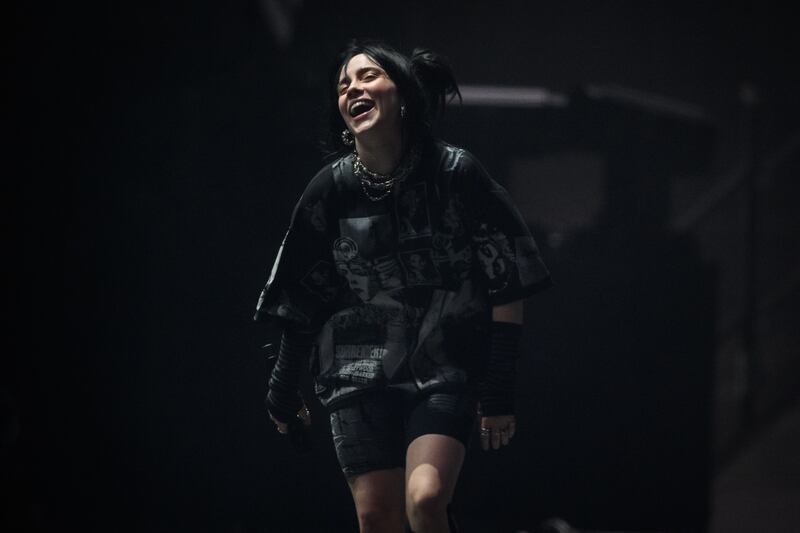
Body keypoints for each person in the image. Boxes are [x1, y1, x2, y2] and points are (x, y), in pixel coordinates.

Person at [254, 39, 551, 533]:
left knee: (427, 498)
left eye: (367, 77)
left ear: (404, 96)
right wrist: (282, 392)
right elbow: (300, 296)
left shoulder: (455, 172)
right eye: (344, 84)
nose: (352, 88)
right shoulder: (330, 191)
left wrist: (498, 390)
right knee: (376, 518)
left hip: (443, 365)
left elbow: (508, 279)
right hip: (356, 369)